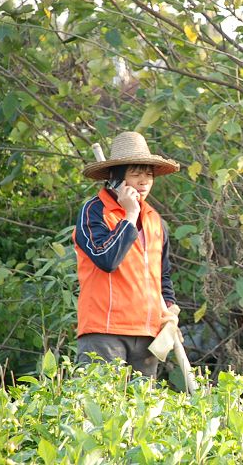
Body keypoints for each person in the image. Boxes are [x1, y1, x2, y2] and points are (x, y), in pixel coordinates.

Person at [72, 131, 181, 377]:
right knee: (101, 407)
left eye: (149, 175)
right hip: (105, 331)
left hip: (146, 334)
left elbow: (162, 276)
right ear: (117, 179)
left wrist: (171, 311)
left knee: (142, 412)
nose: (144, 182)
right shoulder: (94, 211)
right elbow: (106, 260)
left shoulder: (155, 220)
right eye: (136, 174)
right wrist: (129, 216)